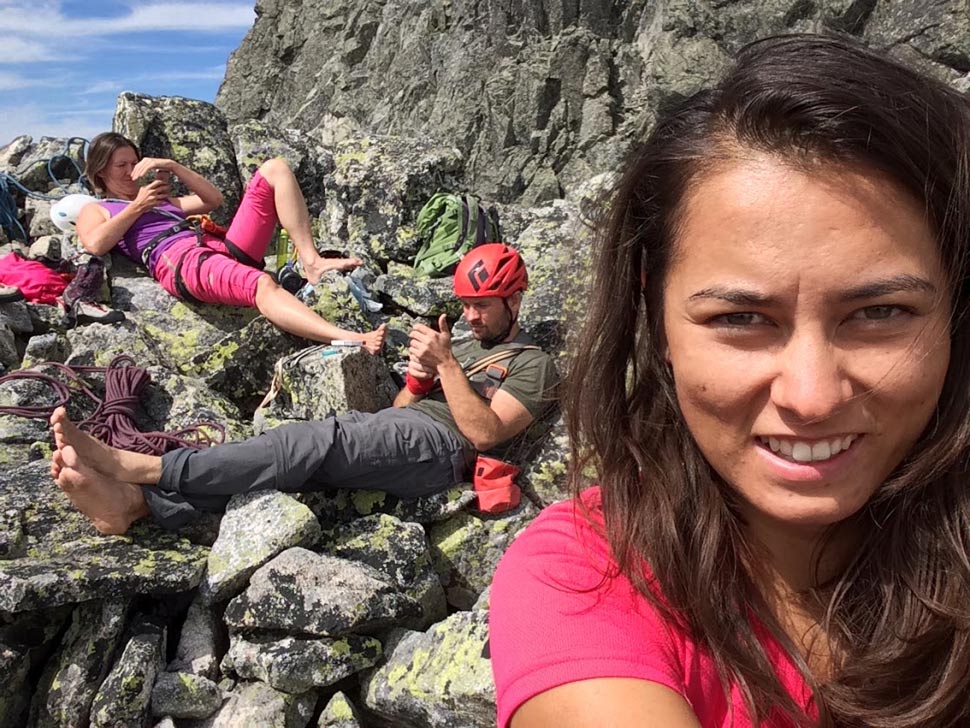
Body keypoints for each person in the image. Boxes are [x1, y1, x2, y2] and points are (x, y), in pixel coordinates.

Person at [489, 34, 970, 728]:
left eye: (880, 313)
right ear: (656, 322)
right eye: (742, 317)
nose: (811, 396)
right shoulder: (587, 575)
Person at [49, 244, 557, 535]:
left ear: (515, 300)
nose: (471, 315)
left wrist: (445, 365)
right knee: (289, 471)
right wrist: (422, 376)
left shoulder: (534, 364)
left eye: (484, 305)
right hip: (402, 429)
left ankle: (144, 467)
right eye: (467, 304)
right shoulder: (465, 345)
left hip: (441, 451)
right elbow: (403, 406)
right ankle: (136, 506)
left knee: (307, 444)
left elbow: (487, 434)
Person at [77, 132, 385, 352]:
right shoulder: (99, 208)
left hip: (217, 248)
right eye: (122, 166)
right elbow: (95, 244)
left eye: (135, 162)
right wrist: (137, 207)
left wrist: (172, 165)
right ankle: (345, 337)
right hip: (183, 263)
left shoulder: (160, 200)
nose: (132, 172)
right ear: (101, 171)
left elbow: (212, 199)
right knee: (263, 284)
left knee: (274, 169)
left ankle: (312, 261)